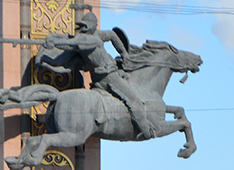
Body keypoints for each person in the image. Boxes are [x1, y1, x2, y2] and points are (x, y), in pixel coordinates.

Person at [36, 11, 159, 140]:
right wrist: (53, 41)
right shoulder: (86, 39)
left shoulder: (96, 35)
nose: (83, 28)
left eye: (85, 25)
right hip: (110, 77)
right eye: (82, 25)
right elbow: (68, 43)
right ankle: (146, 131)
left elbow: (112, 35)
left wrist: (123, 52)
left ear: (93, 26)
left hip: (99, 78)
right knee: (135, 102)